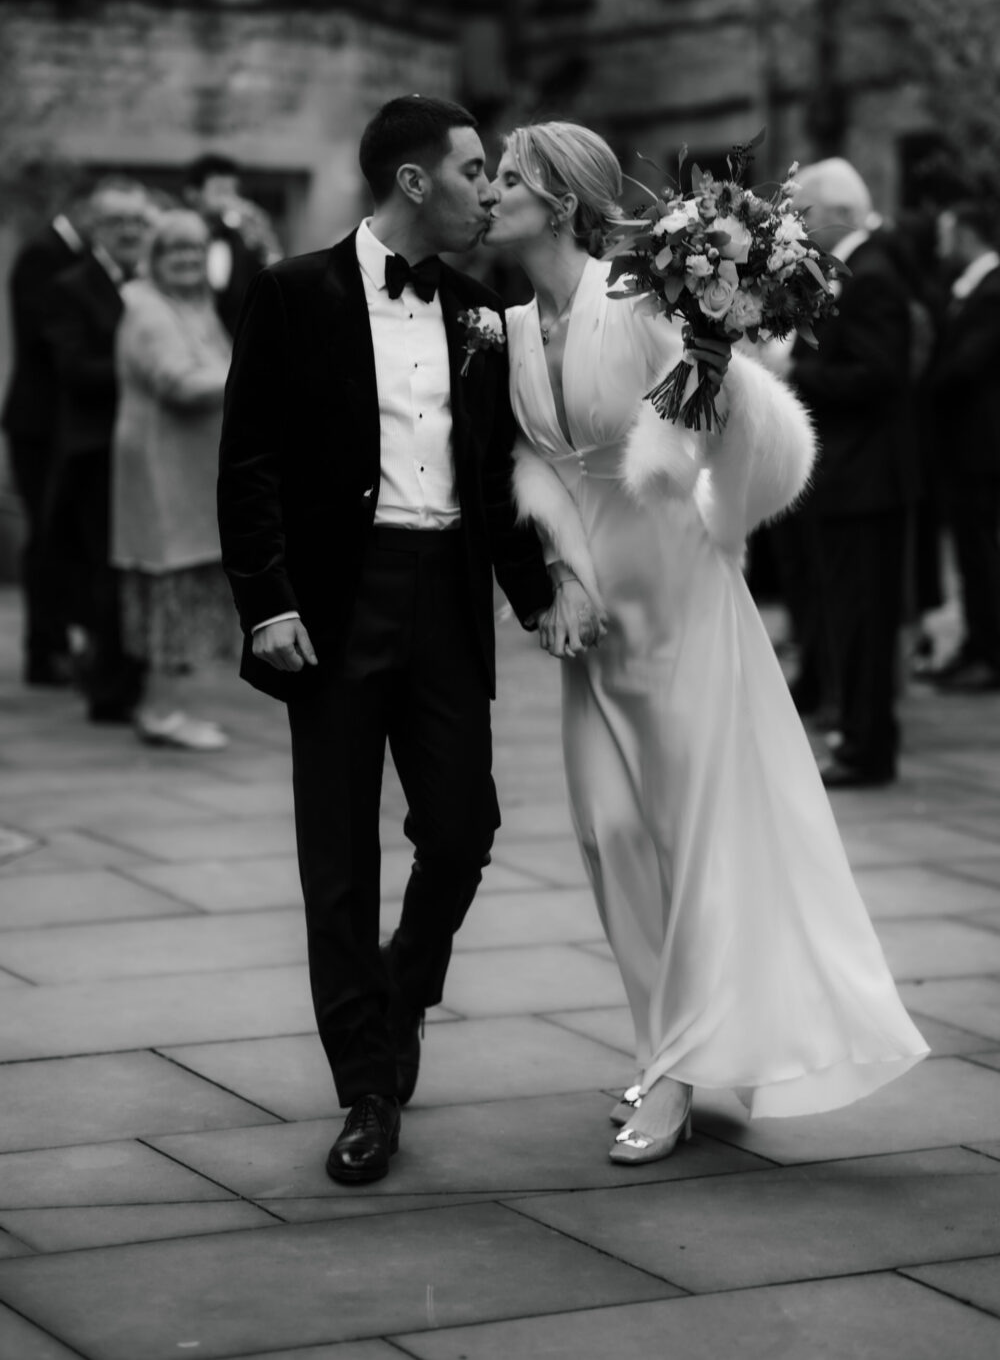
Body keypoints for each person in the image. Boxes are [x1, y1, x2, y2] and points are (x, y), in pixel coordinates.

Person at [484, 121, 928, 1165]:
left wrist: (711, 375)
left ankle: (676, 1069)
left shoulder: (640, 306)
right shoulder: (501, 325)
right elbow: (524, 462)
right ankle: (665, 1041)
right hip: (590, 609)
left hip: (680, 590)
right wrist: (555, 574)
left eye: (507, 178)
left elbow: (750, 438)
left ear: (558, 201)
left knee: (682, 835)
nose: (489, 192)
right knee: (608, 831)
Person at [217, 95, 554, 1185]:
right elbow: (251, 456)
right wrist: (266, 601)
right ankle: (365, 1086)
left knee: (461, 830)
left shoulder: (477, 305)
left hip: (446, 597)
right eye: (471, 170)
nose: (487, 189)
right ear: (414, 183)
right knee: (337, 861)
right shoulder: (292, 293)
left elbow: (496, 479)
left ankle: (400, 996)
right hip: (335, 603)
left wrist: (542, 597)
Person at [782, 159, 918, 788]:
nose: (801, 230)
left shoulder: (873, 275)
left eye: (805, 216)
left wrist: (795, 374)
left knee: (864, 620)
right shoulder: (859, 271)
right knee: (849, 617)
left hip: (868, 482)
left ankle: (867, 748)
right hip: (849, 479)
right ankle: (858, 736)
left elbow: (880, 375)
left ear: (834, 213)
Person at [112, 209, 236, 750]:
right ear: (155, 259)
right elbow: (179, 383)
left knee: (180, 590)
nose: (187, 260)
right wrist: (255, 375)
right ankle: (161, 711)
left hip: (189, 474)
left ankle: (168, 706)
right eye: (175, 251)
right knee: (169, 591)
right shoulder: (150, 311)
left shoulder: (196, 306)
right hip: (162, 476)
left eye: (195, 249)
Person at [43, 178, 152, 723]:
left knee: (138, 568)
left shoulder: (154, 283)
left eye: (139, 221)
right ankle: (109, 687)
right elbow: (74, 370)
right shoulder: (71, 285)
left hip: (148, 451)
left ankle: (130, 675)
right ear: (96, 228)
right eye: (118, 222)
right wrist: (149, 372)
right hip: (97, 451)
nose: (131, 231)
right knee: (105, 571)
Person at [2, 192, 89, 685]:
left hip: (57, 421)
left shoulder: (64, 254)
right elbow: (50, 337)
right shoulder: (43, 254)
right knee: (45, 536)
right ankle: (43, 650)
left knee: (60, 537)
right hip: (39, 422)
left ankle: (58, 641)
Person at [921, 201, 1000, 692]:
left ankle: (991, 654)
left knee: (980, 550)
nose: (941, 243)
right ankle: (976, 643)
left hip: (982, 443)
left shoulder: (991, 291)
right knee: (970, 551)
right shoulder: (971, 287)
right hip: (965, 442)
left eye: (947, 232)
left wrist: (925, 385)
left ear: (969, 234)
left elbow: (969, 363)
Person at [185, 153, 282, 338]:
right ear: (193, 194)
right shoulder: (175, 237)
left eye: (234, 191)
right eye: (220, 191)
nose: (230, 199)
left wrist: (264, 238)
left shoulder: (244, 241)